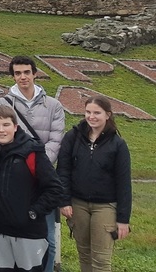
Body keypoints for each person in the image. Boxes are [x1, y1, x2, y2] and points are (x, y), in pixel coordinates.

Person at [0, 56, 64, 272]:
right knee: (13, 240)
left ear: (34, 73)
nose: (22, 77)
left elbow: (56, 139)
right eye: (17, 73)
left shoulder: (53, 105)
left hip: (42, 178)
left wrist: (37, 164)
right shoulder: (2, 104)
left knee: (48, 240)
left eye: (26, 72)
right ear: (13, 76)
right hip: (14, 178)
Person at [0, 106, 63, 272]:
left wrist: (34, 212)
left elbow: (55, 188)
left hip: (28, 234)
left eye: (6, 125)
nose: (1, 130)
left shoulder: (32, 151)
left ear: (15, 126)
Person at [57, 96, 132, 272]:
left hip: (105, 206)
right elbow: (63, 170)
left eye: (97, 113)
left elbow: (124, 183)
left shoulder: (118, 145)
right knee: (84, 254)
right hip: (78, 204)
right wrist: (64, 201)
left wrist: (123, 220)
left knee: (101, 259)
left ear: (107, 115)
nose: (91, 117)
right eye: (88, 112)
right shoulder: (72, 137)